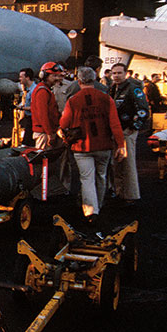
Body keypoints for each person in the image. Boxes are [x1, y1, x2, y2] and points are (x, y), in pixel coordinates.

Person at [60, 67, 126, 223]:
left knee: (86, 178)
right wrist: (121, 145)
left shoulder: (73, 101)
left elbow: (64, 123)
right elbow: (115, 124)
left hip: (82, 147)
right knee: (101, 176)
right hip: (104, 146)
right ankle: (99, 204)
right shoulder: (106, 99)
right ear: (95, 80)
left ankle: (91, 212)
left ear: (79, 81)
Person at [108, 63, 150, 205]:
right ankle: (119, 192)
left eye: (119, 73)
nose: (116, 76)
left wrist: (134, 127)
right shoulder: (112, 89)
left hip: (127, 130)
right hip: (114, 130)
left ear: (126, 73)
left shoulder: (133, 88)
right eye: (114, 73)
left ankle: (131, 195)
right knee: (116, 164)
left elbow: (143, 110)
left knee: (128, 163)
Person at [31, 61, 64, 150]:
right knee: (42, 160)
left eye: (58, 75)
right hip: (44, 133)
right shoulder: (42, 92)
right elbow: (43, 115)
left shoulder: (46, 90)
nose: (57, 78)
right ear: (44, 76)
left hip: (46, 132)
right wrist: (49, 133)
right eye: (53, 76)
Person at [18, 67, 38, 146]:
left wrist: (21, 108)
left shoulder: (34, 90)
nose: (19, 79)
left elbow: (34, 107)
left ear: (27, 77)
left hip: (32, 119)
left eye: (21, 77)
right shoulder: (28, 89)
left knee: (27, 142)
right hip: (28, 118)